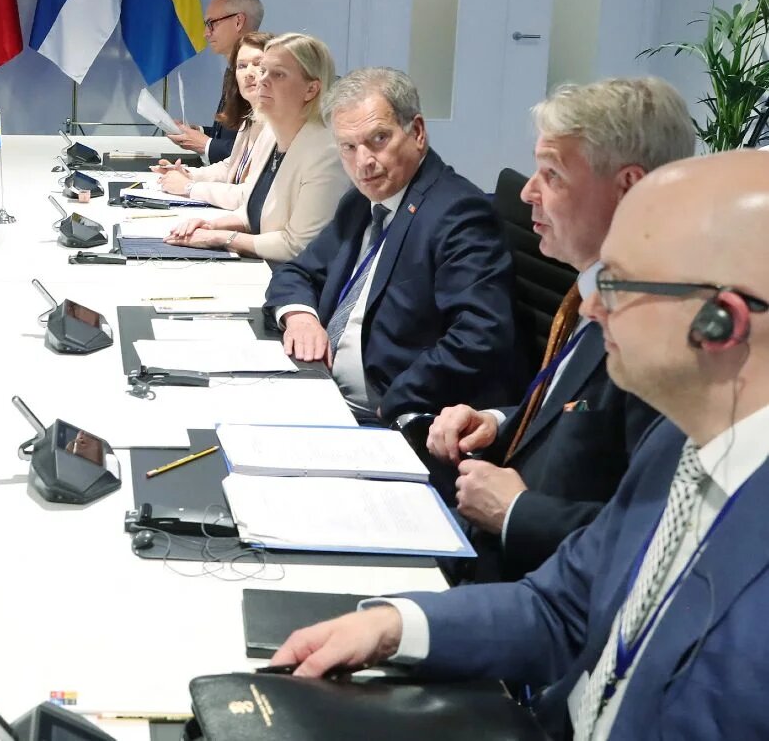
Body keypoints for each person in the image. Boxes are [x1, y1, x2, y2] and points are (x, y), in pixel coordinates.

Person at [272, 151, 769, 741]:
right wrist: (392, 625)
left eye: (616, 283)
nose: (589, 306)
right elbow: (560, 608)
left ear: (722, 322)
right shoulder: (678, 446)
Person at [425, 78, 691, 582]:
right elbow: (575, 412)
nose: (527, 192)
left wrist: (518, 513)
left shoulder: (664, 335)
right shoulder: (599, 289)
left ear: (629, 187)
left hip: (538, 590)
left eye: (552, 175)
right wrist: (498, 421)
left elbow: (659, 539)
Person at [263, 66, 516, 423]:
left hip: (387, 416)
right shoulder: (361, 202)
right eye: (348, 147)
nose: (363, 162)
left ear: (417, 132)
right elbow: (296, 272)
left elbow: (480, 335)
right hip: (319, 388)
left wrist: (396, 402)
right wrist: (300, 318)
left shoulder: (458, 214)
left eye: (378, 139)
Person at [163, 33, 347, 263]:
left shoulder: (325, 153)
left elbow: (297, 246)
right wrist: (210, 225)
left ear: (311, 90)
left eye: (277, 74)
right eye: (264, 71)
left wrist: (222, 238)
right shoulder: (274, 133)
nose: (262, 80)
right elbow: (256, 209)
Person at [155, 31, 275, 209]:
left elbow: (251, 196)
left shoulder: (279, 126)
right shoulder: (251, 118)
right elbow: (231, 167)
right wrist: (187, 174)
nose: (249, 73)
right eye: (241, 66)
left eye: (258, 64)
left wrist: (189, 187)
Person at [168, 0, 263, 163]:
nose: (206, 33)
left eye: (212, 23)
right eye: (242, 66)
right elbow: (234, 135)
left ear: (238, 21)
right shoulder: (232, 71)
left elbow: (255, 153)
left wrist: (205, 144)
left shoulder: (261, 80)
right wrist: (199, 133)